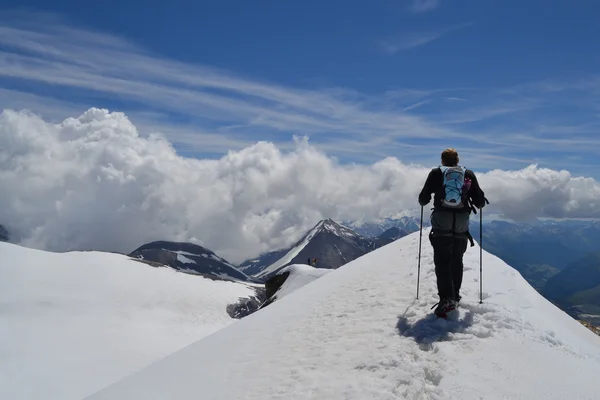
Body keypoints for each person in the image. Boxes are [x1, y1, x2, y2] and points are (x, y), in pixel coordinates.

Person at [418, 148, 487, 317]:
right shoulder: (468, 174)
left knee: (442, 261)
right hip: (461, 223)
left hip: (442, 220)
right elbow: (479, 201)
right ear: (457, 160)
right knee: (457, 259)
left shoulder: (436, 173)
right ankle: (455, 296)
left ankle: (446, 299)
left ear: (442, 160)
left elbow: (423, 198)